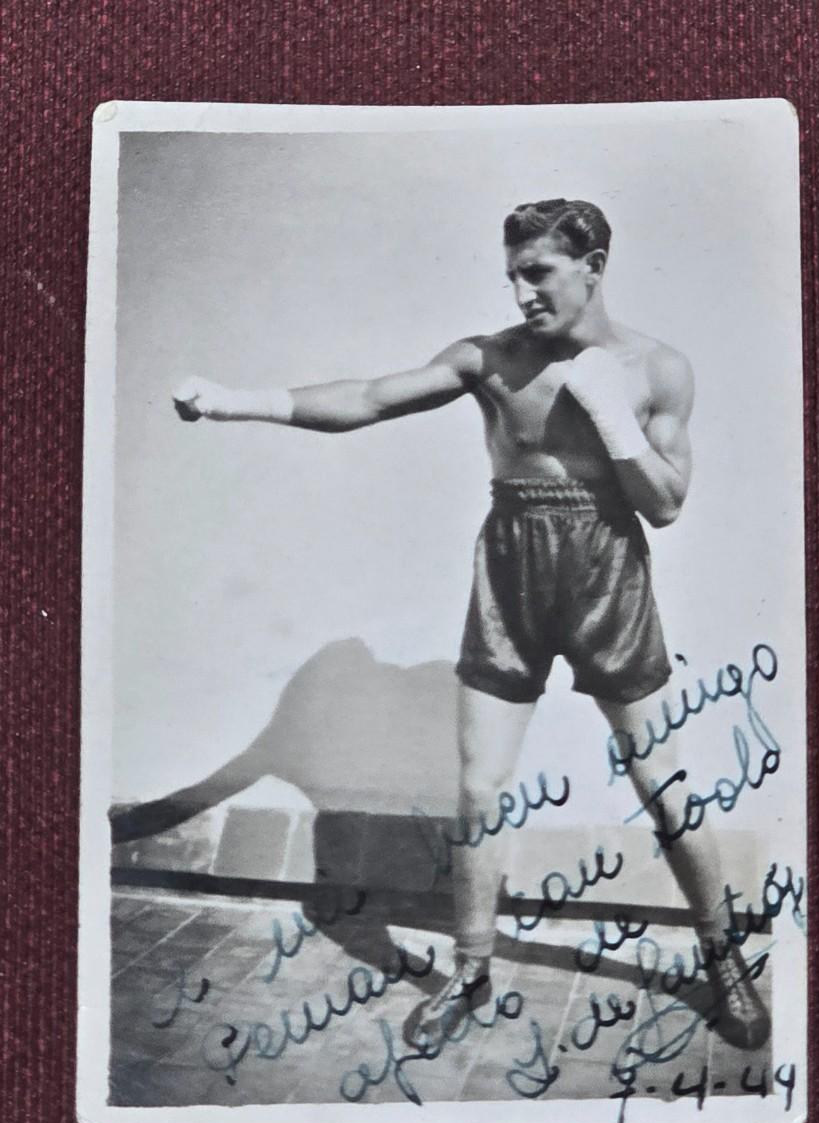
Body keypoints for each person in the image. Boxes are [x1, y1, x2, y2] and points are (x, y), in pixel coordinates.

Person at [173, 198, 770, 1052]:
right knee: (481, 789)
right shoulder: (490, 358)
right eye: (512, 276)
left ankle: (724, 959)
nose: (522, 292)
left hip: (607, 572)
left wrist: (610, 421)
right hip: (510, 568)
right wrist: (237, 402)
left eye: (539, 273)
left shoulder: (656, 368)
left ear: (593, 263)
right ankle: (472, 966)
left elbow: (667, 506)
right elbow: (372, 397)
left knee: (660, 782)